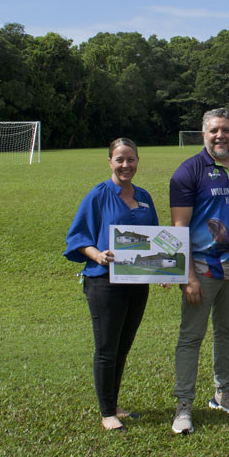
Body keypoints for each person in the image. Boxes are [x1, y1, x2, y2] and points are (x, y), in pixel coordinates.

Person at [168, 108, 229, 434]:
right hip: (202, 269)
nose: (219, 136)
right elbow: (179, 229)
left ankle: (223, 394)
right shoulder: (188, 171)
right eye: (213, 131)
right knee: (191, 336)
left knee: (227, 331)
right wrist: (188, 277)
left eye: (225, 130)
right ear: (204, 133)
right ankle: (184, 406)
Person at [64, 138, 158, 433]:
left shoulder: (144, 197)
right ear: (110, 163)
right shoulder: (98, 195)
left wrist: (164, 271)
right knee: (106, 348)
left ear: (137, 161)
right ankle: (107, 412)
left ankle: (114, 404)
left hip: (137, 282)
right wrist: (98, 255)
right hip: (104, 282)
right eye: (120, 160)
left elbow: (155, 240)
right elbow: (77, 238)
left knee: (123, 347)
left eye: (131, 159)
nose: (126, 165)